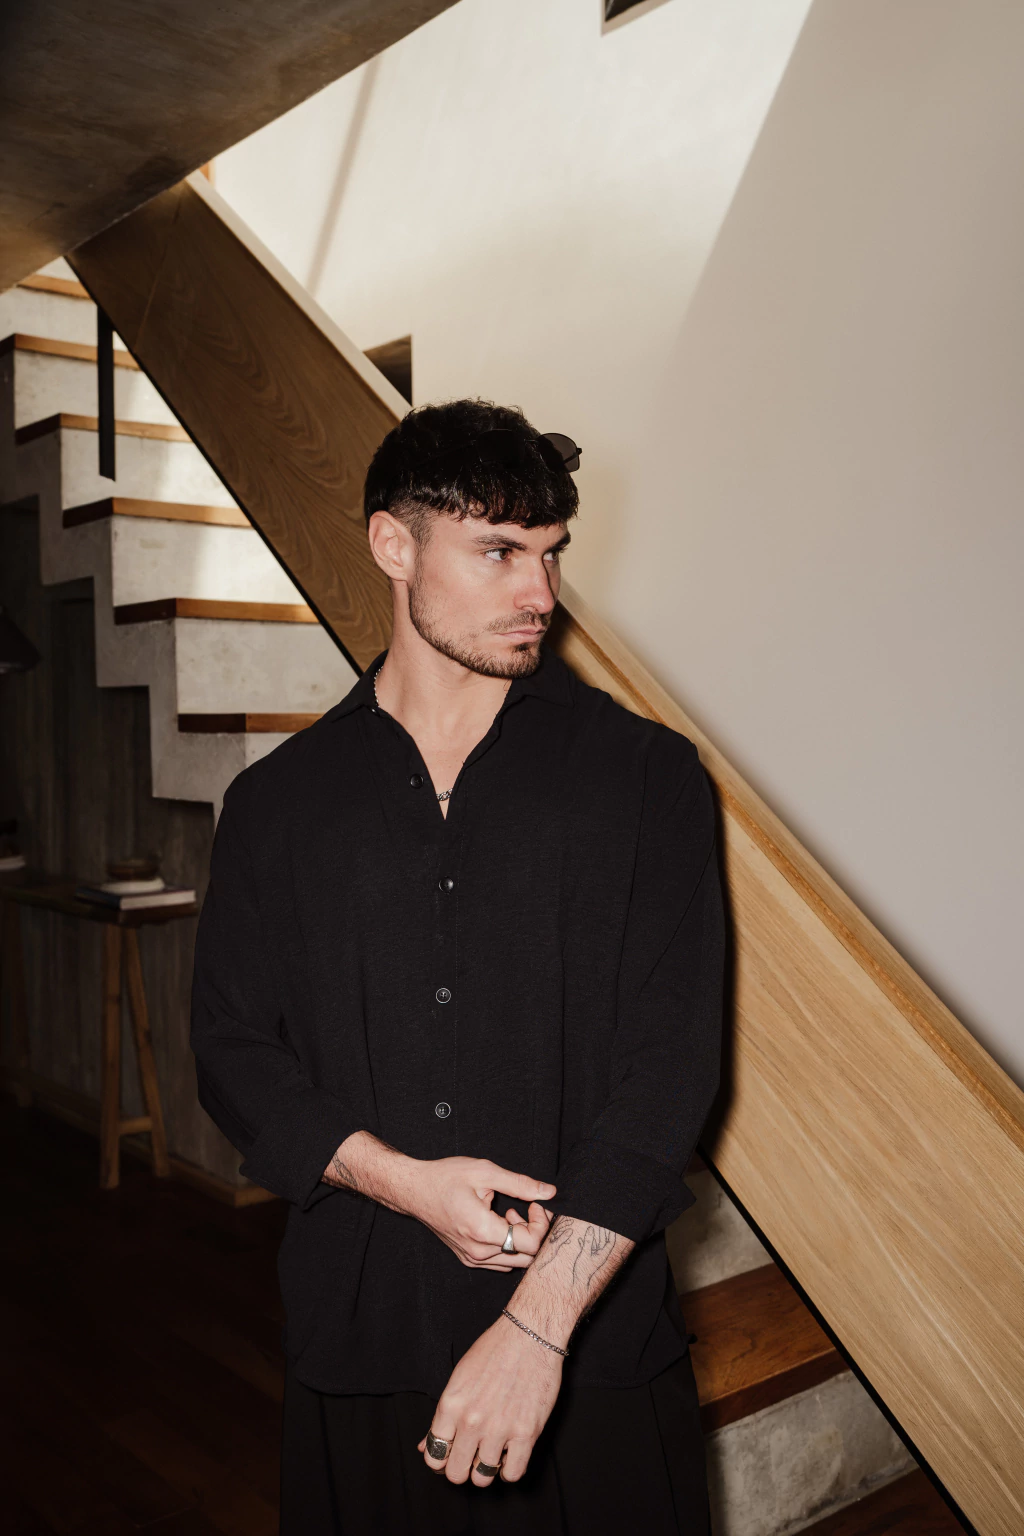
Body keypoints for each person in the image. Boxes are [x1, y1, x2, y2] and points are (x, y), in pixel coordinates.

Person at [190, 398, 725, 1534]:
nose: (540, 592)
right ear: (395, 545)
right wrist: (400, 1180)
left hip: (590, 1358)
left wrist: (535, 1327)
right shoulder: (275, 806)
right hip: (362, 1343)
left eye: (549, 553)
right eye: (498, 551)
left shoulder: (648, 780)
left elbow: (669, 1073)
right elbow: (232, 1052)